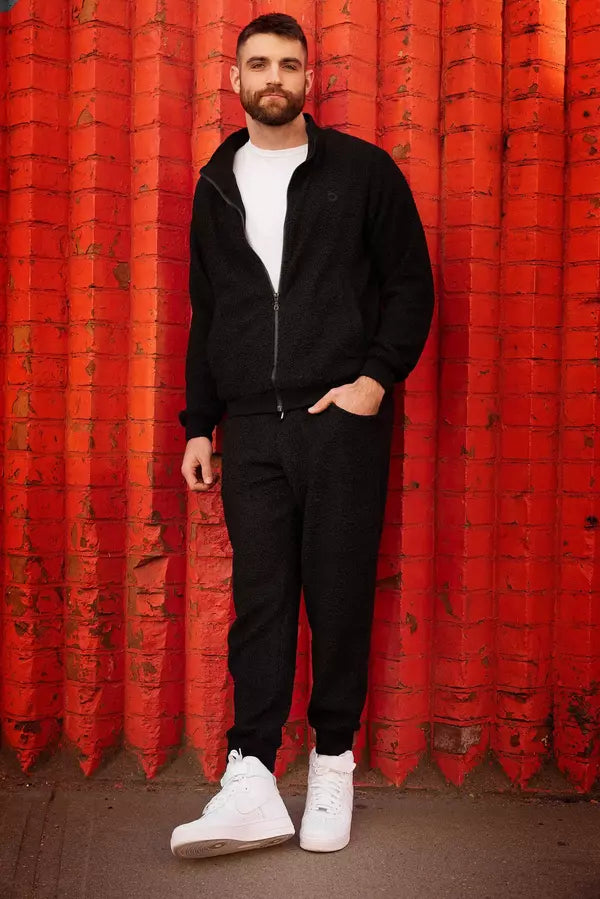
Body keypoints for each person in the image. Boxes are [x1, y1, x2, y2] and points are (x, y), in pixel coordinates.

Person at [170, 12, 434, 859]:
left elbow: (410, 283)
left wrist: (373, 381)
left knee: (339, 594)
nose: (274, 77)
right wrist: (199, 424)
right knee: (262, 601)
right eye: (259, 64)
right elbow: (209, 312)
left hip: (338, 422)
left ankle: (331, 764)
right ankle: (251, 773)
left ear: (308, 79)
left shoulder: (362, 172)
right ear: (236, 79)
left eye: (288, 64)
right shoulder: (215, 182)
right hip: (250, 426)